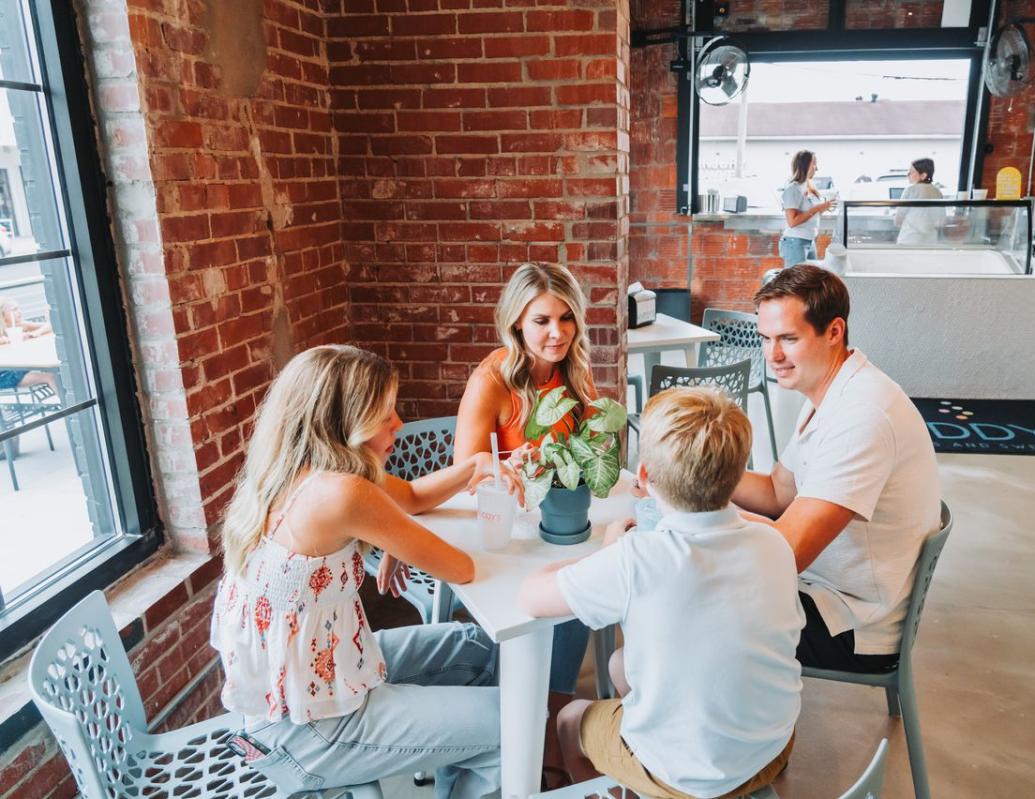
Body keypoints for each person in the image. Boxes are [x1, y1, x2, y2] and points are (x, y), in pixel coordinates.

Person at [210, 344, 521, 799]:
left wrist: (472, 467)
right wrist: (398, 536)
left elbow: (412, 497)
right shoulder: (342, 493)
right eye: (384, 415)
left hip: (317, 682)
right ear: (344, 425)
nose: (398, 424)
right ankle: (487, 755)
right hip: (309, 733)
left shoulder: (296, 468)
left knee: (473, 648)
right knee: (514, 721)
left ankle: (458, 763)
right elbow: (460, 567)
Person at [520, 386, 804, 797]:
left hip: (690, 777)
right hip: (772, 746)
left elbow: (532, 596)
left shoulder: (636, 558)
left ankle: (643, 781)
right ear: (738, 474)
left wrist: (606, 553)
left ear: (646, 478)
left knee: (570, 719)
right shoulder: (774, 543)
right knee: (621, 664)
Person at [733, 265, 941, 673]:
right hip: (825, 590)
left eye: (788, 340)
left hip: (852, 621)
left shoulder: (861, 416)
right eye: (766, 339)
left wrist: (692, 514)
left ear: (834, 331)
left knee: (687, 609)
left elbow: (785, 554)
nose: (772, 356)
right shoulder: (831, 391)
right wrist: (690, 479)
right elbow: (778, 493)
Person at [454, 261, 598, 787]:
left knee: (579, 589)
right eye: (541, 321)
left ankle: (545, 725)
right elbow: (466, 470)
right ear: (517, 322)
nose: (556, 332)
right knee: (556, 599)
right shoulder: (492, 379)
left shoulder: (573, 370)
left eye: (566, 319)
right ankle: (525, 735)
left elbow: (591, 445)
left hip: (560, 527)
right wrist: (509, 467)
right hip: (509, 536)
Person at [779, 150, 836, 268]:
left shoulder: (809, 186)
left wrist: (824, 208)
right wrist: (816, 209)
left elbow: (811, 213)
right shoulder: (792, 189)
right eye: (814, 164)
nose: (817, 168)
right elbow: (792, 221)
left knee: (809, 282)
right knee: (797, 284)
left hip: (809, 241)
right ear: (804, 165)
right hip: (795, 243)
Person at [0, 296, 55, 393]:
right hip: (4, 375)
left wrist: (37, 332)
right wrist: (6, 340)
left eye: (18, 308)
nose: (19, 312)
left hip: (18, 368)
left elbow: (51, 325)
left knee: (52, 370)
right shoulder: (2, 332)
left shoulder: (20, 325)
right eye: (14, 310)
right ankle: (70, 405)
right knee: (50, 377)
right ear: (3, 315)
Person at [895, 158, 944, 245]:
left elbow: (898, 219)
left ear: (923, 175)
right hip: (930, 240)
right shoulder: (937, 191)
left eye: (912, 171)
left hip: (909, 238)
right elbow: (941, 221)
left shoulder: (910, 190)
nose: (908, 174)